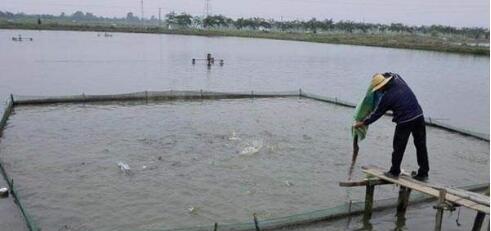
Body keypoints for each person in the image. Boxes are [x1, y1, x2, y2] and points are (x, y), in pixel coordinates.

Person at [353, 73, 429, 181]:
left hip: (405, 121)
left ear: (383, 86)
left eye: (379, 89)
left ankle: (394, 171)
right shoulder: (398, 79)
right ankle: (423, 173)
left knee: (398, 147)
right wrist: (381, 74)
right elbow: (392, 73)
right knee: (421, 145)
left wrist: (363, 123)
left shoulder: (387, 98)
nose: (379, 91)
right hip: (419, 116)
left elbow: (376, 114)